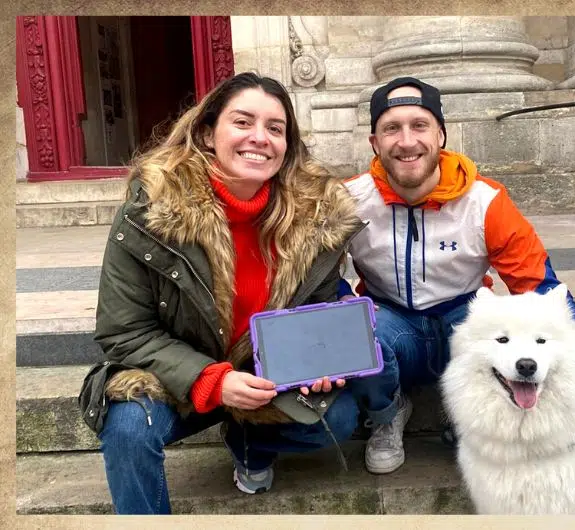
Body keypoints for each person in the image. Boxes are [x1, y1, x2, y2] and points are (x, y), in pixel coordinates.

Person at [78, 72, 365, 514]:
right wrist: (212, 380)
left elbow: (316, 311)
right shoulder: (151, 213)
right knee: (130, 426)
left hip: (261, 377)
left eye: (275, 128)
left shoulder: (315, 219)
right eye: (243, 122)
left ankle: (246, 439)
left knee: (340, 416)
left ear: (287, 145)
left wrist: (321, 361)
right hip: (178, 374)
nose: (260, 138)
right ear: (208, 133)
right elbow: (125, 332)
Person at [340, 76, 575, 474]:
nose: (406, 141)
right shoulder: (348, 200)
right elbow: (314, 278)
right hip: (392, 327)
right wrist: (345, 304)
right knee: (352, 325)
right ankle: (387, 413)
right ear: (374, 142)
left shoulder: (485, 201)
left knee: (490, 323)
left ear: (441, 135)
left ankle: (467, 412)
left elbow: (540, 287)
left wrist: (569, 363)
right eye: (391, 129)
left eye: (419, 126)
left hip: (463, 322)